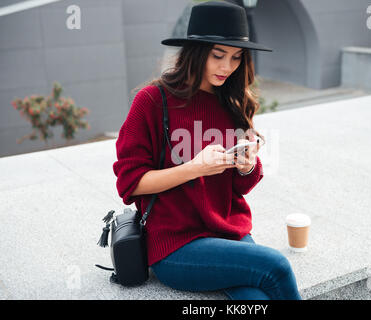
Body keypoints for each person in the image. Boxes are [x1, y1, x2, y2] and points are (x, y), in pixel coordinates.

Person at [112, 1, 301, 300]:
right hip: (176, 246)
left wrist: (247, 165)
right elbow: (130, 184)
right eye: (218, 55)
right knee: (276, 265)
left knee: (256, 299)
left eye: (236, 57)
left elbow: (240, 187)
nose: (227, 67)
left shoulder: (233, 101)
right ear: (196, 52)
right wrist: (195, 168)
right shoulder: (151, 101)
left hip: (230, 233)